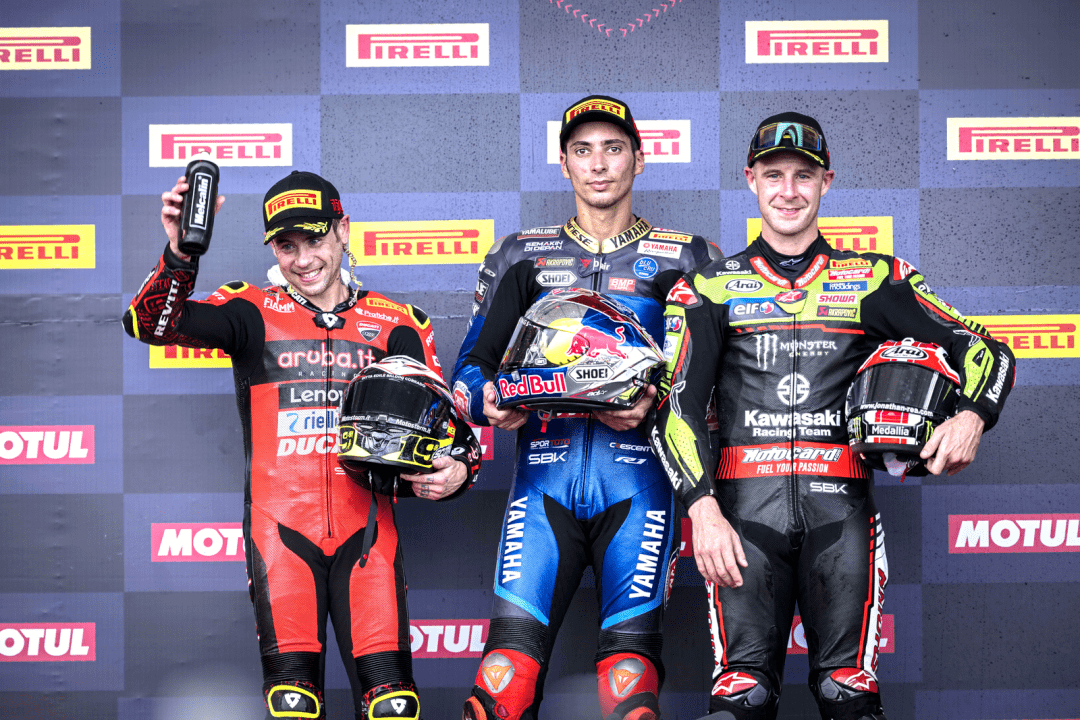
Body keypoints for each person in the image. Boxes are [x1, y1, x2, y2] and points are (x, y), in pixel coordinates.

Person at [648, 112, 1015, 720]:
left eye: (804, 175)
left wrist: (972, 416)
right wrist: (702, 509)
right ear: (751, 180)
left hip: (841, 517)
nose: (788, 190)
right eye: (774, 175)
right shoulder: (707, 287)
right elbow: (676, 407)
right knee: (742, 694)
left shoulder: (874, 277)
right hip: (739, 523)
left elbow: (986, 350)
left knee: (848, 692)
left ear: (826, 182)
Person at [123, 170, 482, 720]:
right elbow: (149, 325)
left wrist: (456, 471)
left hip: (368, 539)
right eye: (286, 246)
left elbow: (449, 438)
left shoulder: (399, 325)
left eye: (314, 239)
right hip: (281, 538)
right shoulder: (249, 310)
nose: (303, 259)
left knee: (393, 707)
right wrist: (180, 254)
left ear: (343, 229)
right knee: (294, 708)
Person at [451, 95, 721, 720]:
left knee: (630, 687)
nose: (598, 164)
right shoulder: (520, 255)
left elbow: (712, 390)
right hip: (540, 486)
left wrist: (654, 405)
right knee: (502, 684)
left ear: (639, 160)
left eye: (613, 148)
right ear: (565, 164)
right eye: (583, 150)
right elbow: (468, 372)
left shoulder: (688, 257)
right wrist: (489, 403)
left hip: (642, 488)